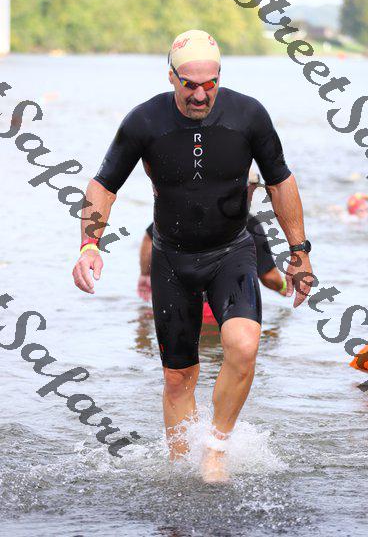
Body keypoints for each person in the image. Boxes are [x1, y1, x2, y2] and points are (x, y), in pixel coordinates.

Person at [72, 29, 313, 483]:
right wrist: (89, 245)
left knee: (244, 345)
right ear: (171, 77)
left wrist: (299, 252)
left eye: (210, 84)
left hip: (231, 253)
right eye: (189, 85)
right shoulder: (145, 121)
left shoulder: (248, 115)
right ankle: (180, 470)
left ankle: (215, 450)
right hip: (172, 260)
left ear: (220, 77)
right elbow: (103, 185)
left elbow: (281, 181)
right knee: (178, 378)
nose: (200, 94)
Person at [137, 173, 287, 307]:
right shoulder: (249, 224)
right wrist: (283, 287)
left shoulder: (186, 211)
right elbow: (269, 277)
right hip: (221, 304)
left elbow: (149, 238)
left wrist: (145, 274)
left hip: (176, 297)